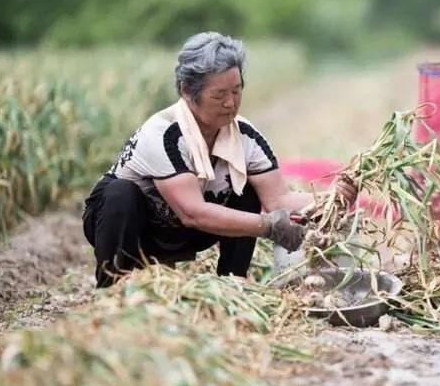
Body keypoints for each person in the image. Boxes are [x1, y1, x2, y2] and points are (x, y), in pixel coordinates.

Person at [83, 31, 355, 287]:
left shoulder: (245, 135)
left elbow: (279, 200)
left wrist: (332, 198)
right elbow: (192, 213)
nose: (230, 103)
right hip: (132, 227)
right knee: (121, 193)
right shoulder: (163, 134)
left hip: (182, 233)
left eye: (236, 91)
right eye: (219, 95)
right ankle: (112, 287)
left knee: (246, 190)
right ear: (188, 92)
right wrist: (268, 226)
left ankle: (233, 284)